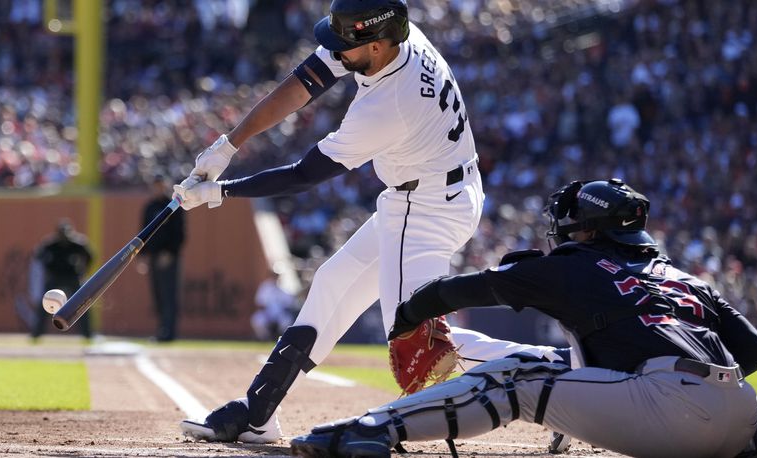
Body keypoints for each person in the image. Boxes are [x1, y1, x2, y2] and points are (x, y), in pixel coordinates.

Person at [173, 0, 544, 443]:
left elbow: (302, 176)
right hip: (421, 193)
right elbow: (302, 84)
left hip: (427, 207)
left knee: (418, 339)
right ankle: (258, 414)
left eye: (347, 44)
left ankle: (557, 373)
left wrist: (219, 192)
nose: (336, 51)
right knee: (332, 283)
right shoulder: (389, 41)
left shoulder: (390, 104)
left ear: (378, 45)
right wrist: (228, 145)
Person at [290, 178, 757, 458]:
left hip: (676, 411)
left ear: (583, 228)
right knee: (553, 359)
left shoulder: (573, 264)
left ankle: (372, 429)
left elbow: (470, 288)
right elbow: (756, 352)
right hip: (740, 415)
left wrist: (409, 314)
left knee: (516, 379)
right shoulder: (684, 277)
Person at [140, 175, 186, 342]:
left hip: (168, 257)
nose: (158, 189)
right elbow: (143, 232)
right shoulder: (149, 207)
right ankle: (161, 330)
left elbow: (179, 233)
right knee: (157, 295)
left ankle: (170, 332)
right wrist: (142, 255)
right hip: (153, 256)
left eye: (160, 185)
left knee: (169, 295)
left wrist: (170, 253)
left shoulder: (173, 205)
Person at [32, 219, 93, 339]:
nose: (64, 237)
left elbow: (90, 256)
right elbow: (38, 256)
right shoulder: (50, 244)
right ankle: (36, 334)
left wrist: (84, 271)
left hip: (73, 277)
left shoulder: (78, 244)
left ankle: (88, 334)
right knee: (44, 304)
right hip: (55, 277)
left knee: (82, 303)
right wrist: (48, 268)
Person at [251, 268, 297, 341]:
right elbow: (259, 303)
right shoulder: (265, 286)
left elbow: (290, 304)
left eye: (277, 275)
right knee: (258, 319)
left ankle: (283, 340)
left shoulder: (285, 286)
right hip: (267, 313)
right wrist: (268, 315)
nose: (275, 277)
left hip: (281, 314)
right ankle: (264, 339)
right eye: (274, 275)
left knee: (286, 321)